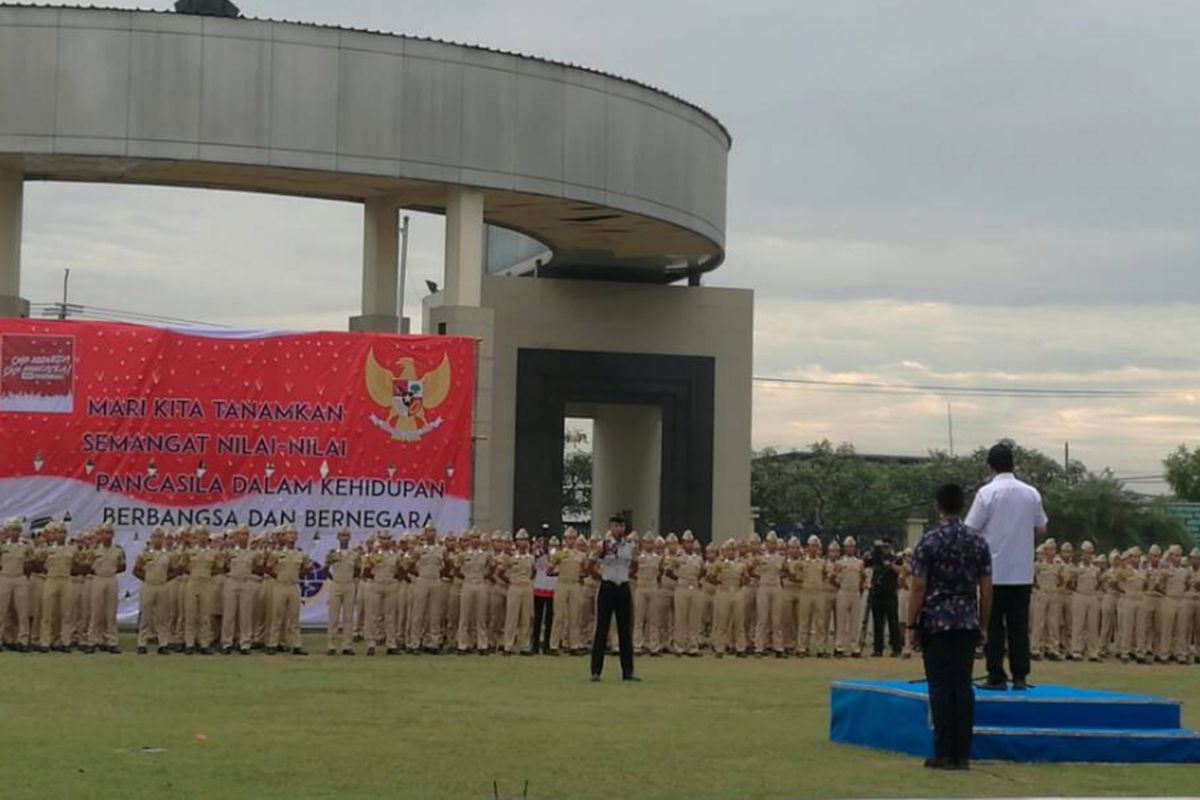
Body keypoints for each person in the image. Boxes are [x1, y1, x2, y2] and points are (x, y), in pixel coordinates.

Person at [907, 484, 993, 771]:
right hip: (967, 620)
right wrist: (983, 623)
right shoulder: (978, 541)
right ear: (963, 506)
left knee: (940, 687)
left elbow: (918, 585)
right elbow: (986, 587)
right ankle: (962, 754)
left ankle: (943, 753)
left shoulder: (929, 541)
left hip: (936, 621)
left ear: (937, 506)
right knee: (963, 686)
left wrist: (910, 622)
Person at [964, 443, 1047, 690]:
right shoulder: (1031, 493)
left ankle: (996, 675)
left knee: (993, 624)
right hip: (1022, 571)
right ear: (1013, 464)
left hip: (994, 571)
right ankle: (1020, 676)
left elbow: (970, 528)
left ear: (990, 466)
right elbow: (1041, 526)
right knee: (1019, 625)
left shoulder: (987, 493)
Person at [590, 515, 639, 681]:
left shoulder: (630, 547)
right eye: (616, 525)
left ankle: (628, 671)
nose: (619, 529)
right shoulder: (602, 545)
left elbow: (635, 565)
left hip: (623, 587)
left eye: (622, 526)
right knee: (602, 629)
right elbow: (590, 564)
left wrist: (627, 576)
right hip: (607, 587)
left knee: (625, 630)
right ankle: (596, 671)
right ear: (610, 527)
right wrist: (601, 577)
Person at [864, 538, 902, 657]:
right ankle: (878, 649)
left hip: (890, 593)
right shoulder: (876, 558)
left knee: (893, 621)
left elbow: (900, 571)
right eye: (882, 547)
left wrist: (890, 565)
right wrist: (872, 551)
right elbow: (866, 563)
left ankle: (896, 648)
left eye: (886, 547)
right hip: (877, 593)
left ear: (890, 547)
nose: (884, 549)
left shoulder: (896, 558)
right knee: (877, 622)